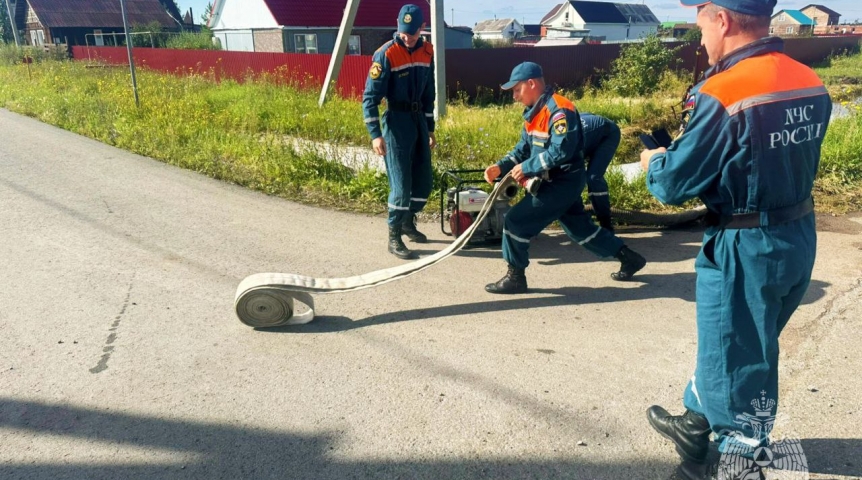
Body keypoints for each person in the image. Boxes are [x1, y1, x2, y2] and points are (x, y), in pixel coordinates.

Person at [639, 0, 831, 477]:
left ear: (722, 20)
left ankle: (729, 461)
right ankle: (695, 421)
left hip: (747, 247)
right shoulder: (808, 78)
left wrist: (654, 163)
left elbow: (673, 184)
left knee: (737, 365)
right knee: (746, 347)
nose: (698, 35)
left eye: (699, 21)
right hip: (797, 236)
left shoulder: (723, 92)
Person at [482, 62, 646, 294]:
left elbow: (561, 151)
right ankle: (629, 258)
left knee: (515, 222)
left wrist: (526, 168)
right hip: (558, 183)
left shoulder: (560, 110)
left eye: (517, 90)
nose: (515, 97)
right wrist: (500, 167)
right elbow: (522, 149)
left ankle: (515, 277)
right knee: (580, 229)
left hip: (562, 182)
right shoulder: (533, 113)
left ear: (531, 83)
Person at [362, 4, 436, 260]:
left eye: (412, 34)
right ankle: (394, 236)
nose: (407, 38)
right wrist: (375, 134)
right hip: (396, 123)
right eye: (403, 33)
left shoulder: (428, 51)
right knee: (401, 185)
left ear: (422, 28)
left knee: (424, 182)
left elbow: (429, 94)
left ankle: (407, 221)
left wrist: (430, 129)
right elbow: (369, 98)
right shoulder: (385, 54)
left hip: (418, 121)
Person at [580, 113, 621, 232]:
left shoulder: (567, 145)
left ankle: (606, 223)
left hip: (607, 133)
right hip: (589, 132)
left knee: (593, 177)